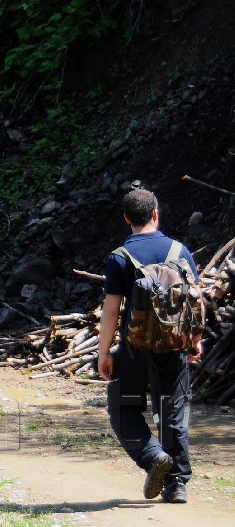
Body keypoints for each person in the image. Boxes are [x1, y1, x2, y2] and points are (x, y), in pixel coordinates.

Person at [97, 188, 199, 504]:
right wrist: (194, 341)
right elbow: (197, 299)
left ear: (127, 218)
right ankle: (177, 485)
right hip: (173, 347)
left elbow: (111, 310)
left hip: (133, 350)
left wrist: (103, 352)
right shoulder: (180, 251)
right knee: (173, 412)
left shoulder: (119, 257)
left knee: (123, 408)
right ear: (156, 213)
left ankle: (152, 456)